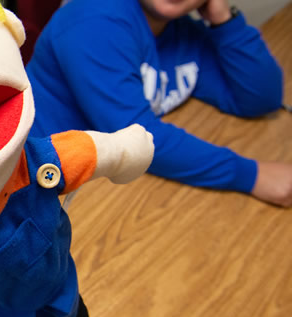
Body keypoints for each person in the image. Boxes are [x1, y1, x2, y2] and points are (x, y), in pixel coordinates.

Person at [26, 0, 292, 207]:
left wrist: (225, 21)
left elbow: (261, 98)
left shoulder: (180, 30)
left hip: (100, 181)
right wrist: (251, 175)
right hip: (34, 184)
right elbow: (138, 135)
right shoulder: (94, 22)